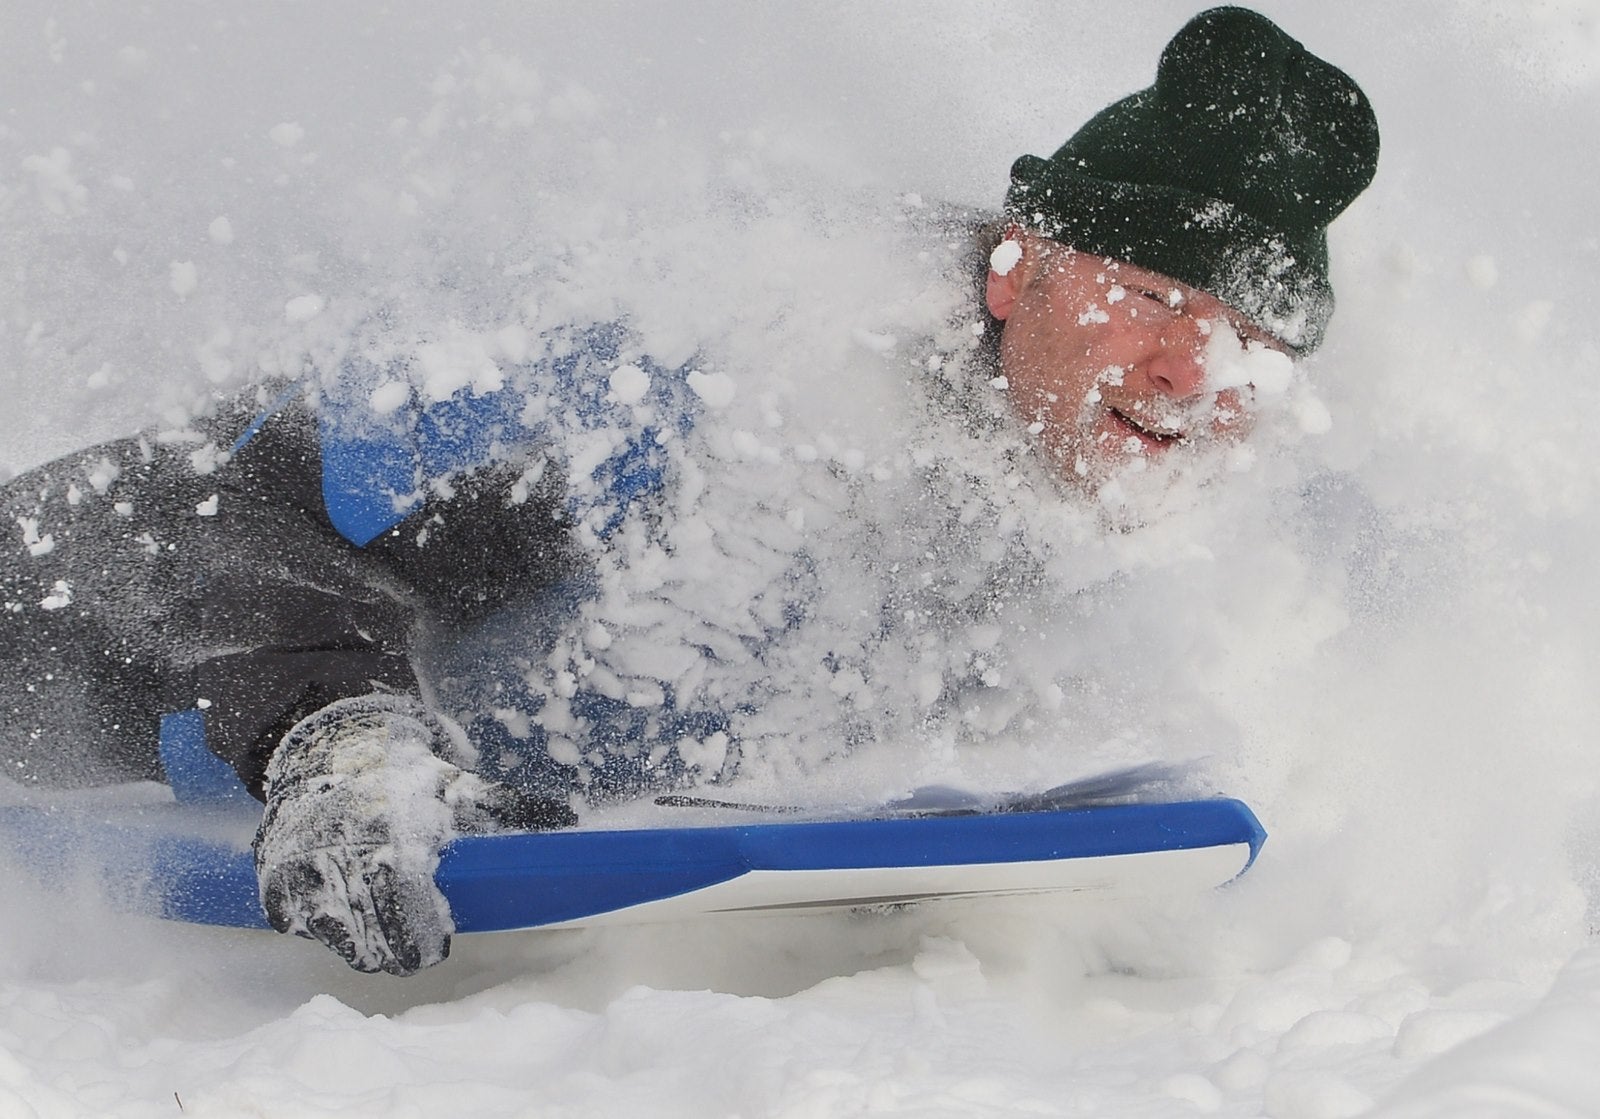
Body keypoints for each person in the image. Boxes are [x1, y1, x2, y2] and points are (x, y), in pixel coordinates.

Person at [0, 7, 1378, 974]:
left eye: (1252, 337)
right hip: (68, 649)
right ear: (1019, 269)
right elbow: (194, 501)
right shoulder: (717, 372)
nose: (1196, 369)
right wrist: (338, 741)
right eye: (1146, 294)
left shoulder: (1121, 492)